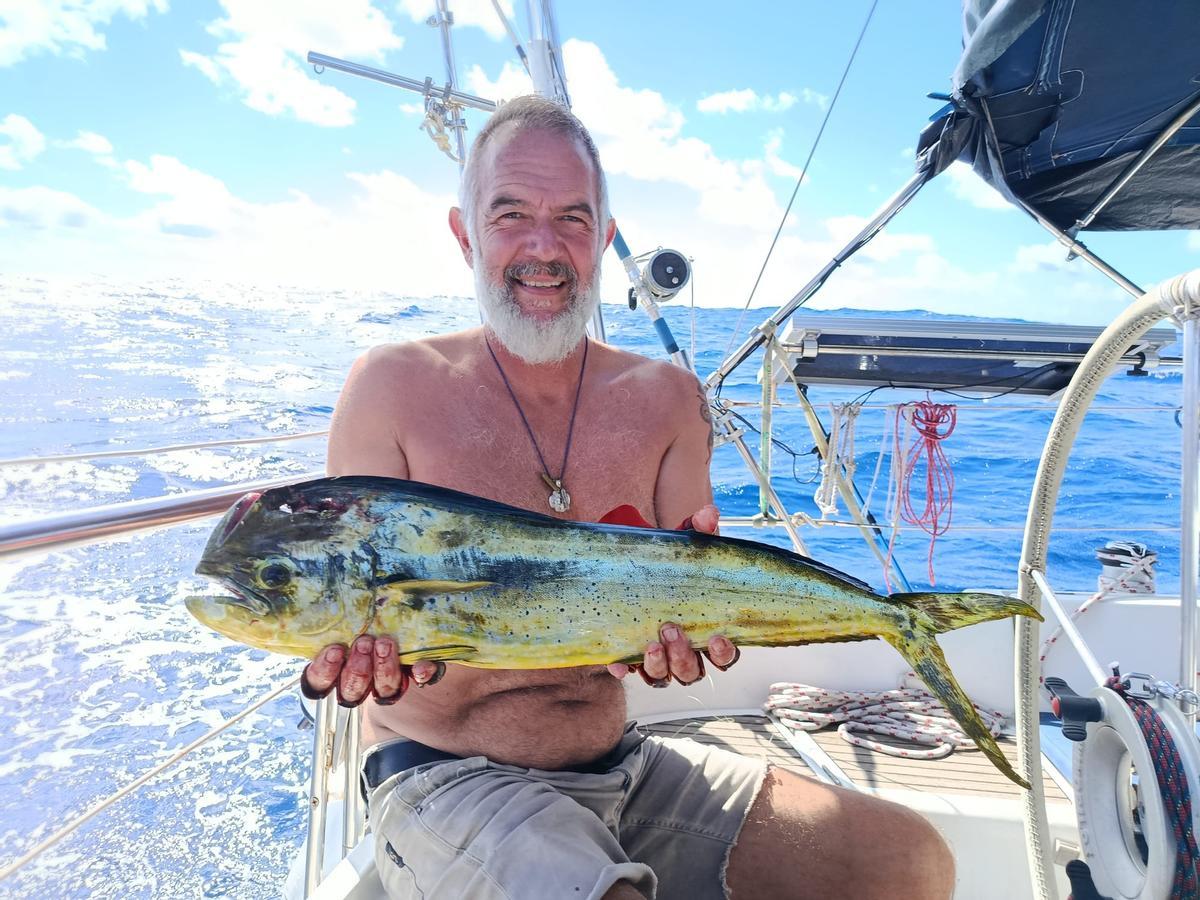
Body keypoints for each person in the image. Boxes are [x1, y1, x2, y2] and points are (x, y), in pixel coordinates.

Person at [302, 95, 954, 899]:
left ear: (604, 240)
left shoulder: (668, 397)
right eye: (511, 215)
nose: (544, 249)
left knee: (906, 860)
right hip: (448, 777)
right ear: (464, 232)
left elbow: (684, 603)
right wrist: (373, 666)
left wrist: (687, 646)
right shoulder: (390, 387)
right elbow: (352, 610)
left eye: (572, 219)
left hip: (626, 767)